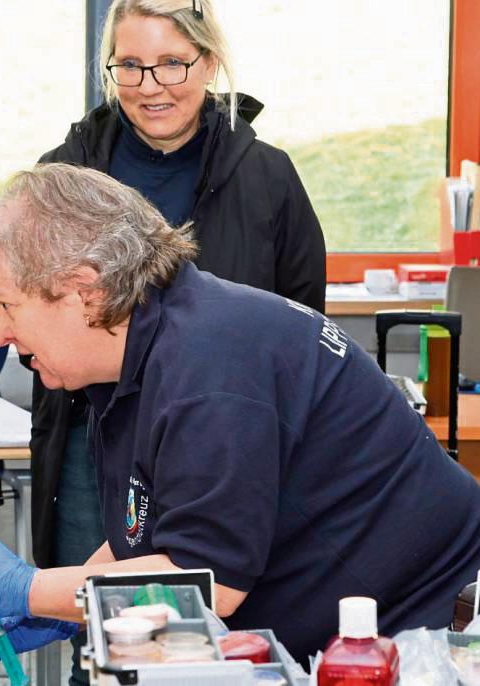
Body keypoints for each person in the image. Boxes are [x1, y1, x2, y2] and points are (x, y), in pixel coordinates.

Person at [0, 163, 480, 664]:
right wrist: (72, 606)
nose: (0, 333)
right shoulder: (152, 343)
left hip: (428, 632)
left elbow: (203, 583)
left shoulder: (209, 373)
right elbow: (152, 535)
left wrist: (28, 590)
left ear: (86, 290)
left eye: (7, 305)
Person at [30, 2, 325, 679]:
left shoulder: (269, 179)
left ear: (210, 64)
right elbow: (28, 311)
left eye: (172, 62)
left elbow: (303, 329)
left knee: (219, 628)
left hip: (231, 443)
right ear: (111, 71)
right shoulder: (62, 178)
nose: (151, 84)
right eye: (130, 65)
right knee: (106, 638)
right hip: (96, 442)